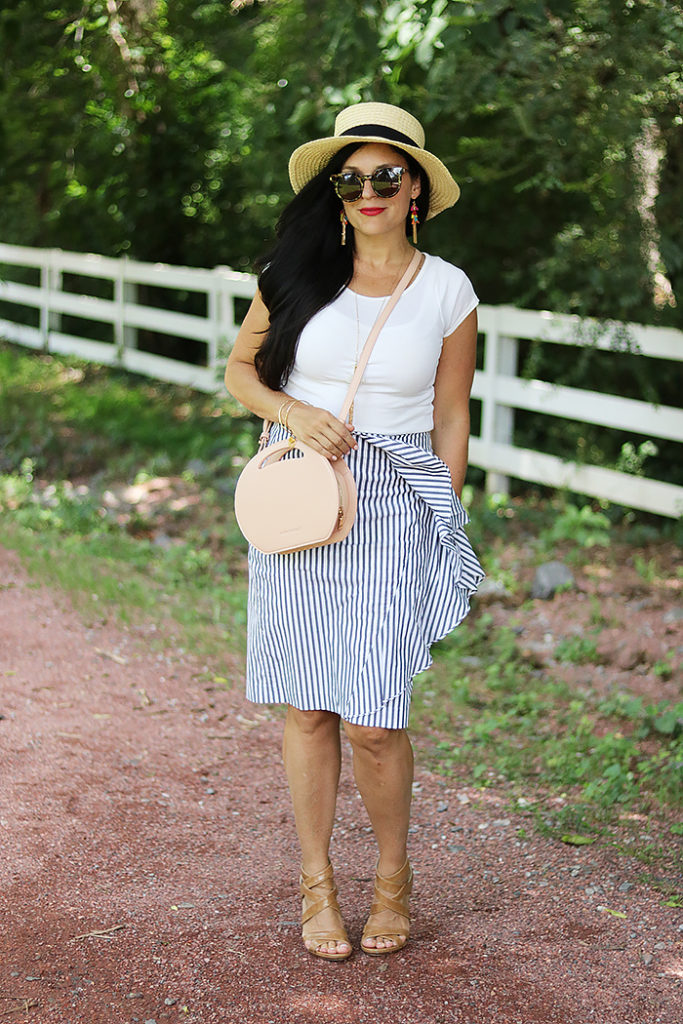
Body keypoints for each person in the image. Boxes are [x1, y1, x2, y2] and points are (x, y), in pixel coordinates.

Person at [224, 101, 483, 961]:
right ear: (333, 192)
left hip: (398, 500)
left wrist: (440, 506)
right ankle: (316, 885)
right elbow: (238, 372)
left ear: (414, 190)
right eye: (352, 177)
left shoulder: (447, 289)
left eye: (386, 175)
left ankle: (392, 880)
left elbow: (451, 417)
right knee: (307, 707)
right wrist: (294, 410)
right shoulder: (292, 274)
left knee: (373, 714)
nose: (368, 190)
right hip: (301, 492)